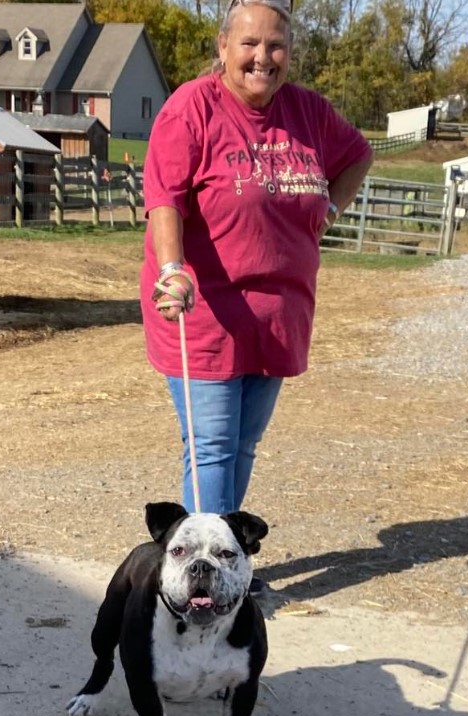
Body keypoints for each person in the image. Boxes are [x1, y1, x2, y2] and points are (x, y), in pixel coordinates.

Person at [140, 0, 373, 589]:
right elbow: (164, 196)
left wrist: (332, 205)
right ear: (223, 48)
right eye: (249, 44)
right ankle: (208, 575)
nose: (262, 58)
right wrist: (173, 267)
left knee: (243, 445)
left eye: (275, 47)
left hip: (277, 312)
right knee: (212, 448)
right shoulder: (191, 108)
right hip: (206, 309)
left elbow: (358, 153)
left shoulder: (309, 113)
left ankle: (222, 564)